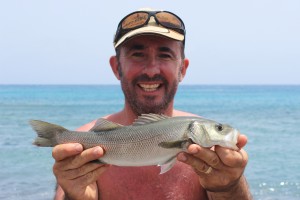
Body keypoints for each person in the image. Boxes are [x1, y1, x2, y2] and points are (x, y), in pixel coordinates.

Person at [53, 8, 252, 200]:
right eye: (137, 55)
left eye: (165, 55)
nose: (151, 70)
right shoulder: (81, 146)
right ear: (116, 67)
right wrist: (74, 197)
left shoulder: (213, 154)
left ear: (182, 68)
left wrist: (230, 187)